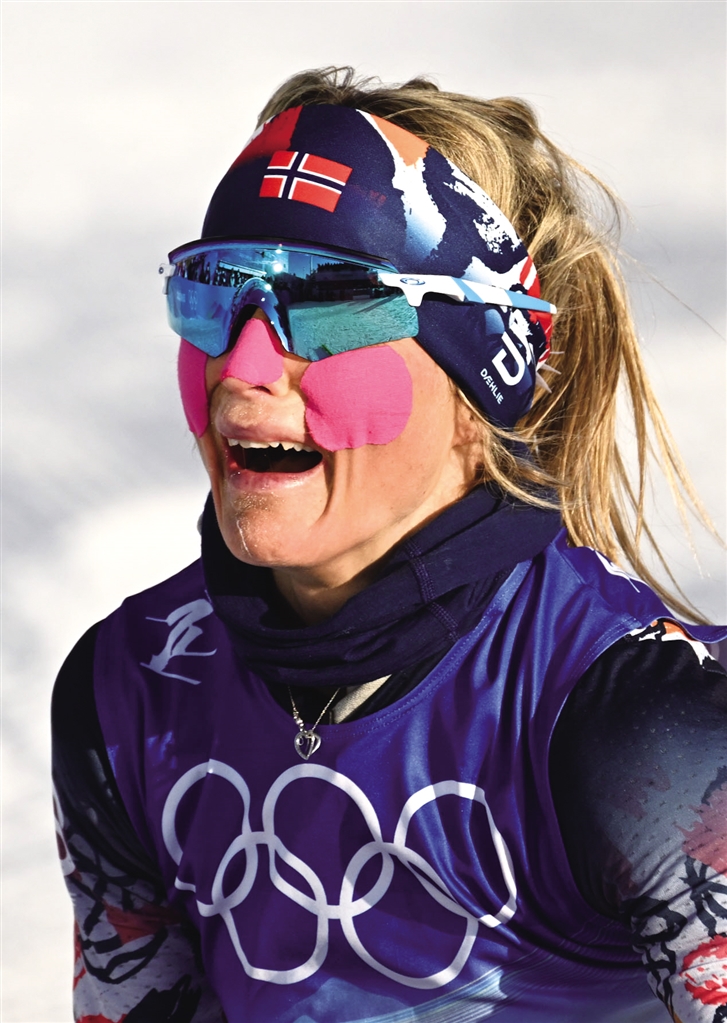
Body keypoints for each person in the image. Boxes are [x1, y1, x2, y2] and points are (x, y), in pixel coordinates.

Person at [52, 67, 727, 1023]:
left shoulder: (636, 719)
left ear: (487, 380)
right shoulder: (129, 689)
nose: (242, 367)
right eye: (215, 288)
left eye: (332, 302)